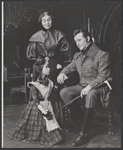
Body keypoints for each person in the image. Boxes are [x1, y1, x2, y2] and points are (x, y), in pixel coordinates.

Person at [57, 29, 111, 146]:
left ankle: (84, 133)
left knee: (90, 95)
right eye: (76, 41)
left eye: (79, 40)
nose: (77, 43)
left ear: (87, 39)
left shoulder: (102, 55)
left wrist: (90, 87)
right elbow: (69, 67)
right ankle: (83, 122)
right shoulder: (78, 56)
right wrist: (62, 73)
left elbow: (103, 76)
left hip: (98, 88)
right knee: (64, 92)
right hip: (82, 86)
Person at [8, 58, 63, 146]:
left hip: (48, 105)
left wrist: (59, 76)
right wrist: (44, 112)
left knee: (53, 129)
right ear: (40, 70)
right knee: (42, 126)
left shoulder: (49, 82)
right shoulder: (35, 85)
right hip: (37, 108)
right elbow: (36, 101)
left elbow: (54, 91)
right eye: (47, 67)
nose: (49, 69)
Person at [26, 9, 69, 83]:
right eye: (44, 20)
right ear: (41, 22)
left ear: (52, 20)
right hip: (40, 67)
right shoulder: (36, 37)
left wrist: (60, 63)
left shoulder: (59, 35)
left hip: (56, 65)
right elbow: (31, 57)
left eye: (49, 20)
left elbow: (65, 52)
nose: (47, 23)